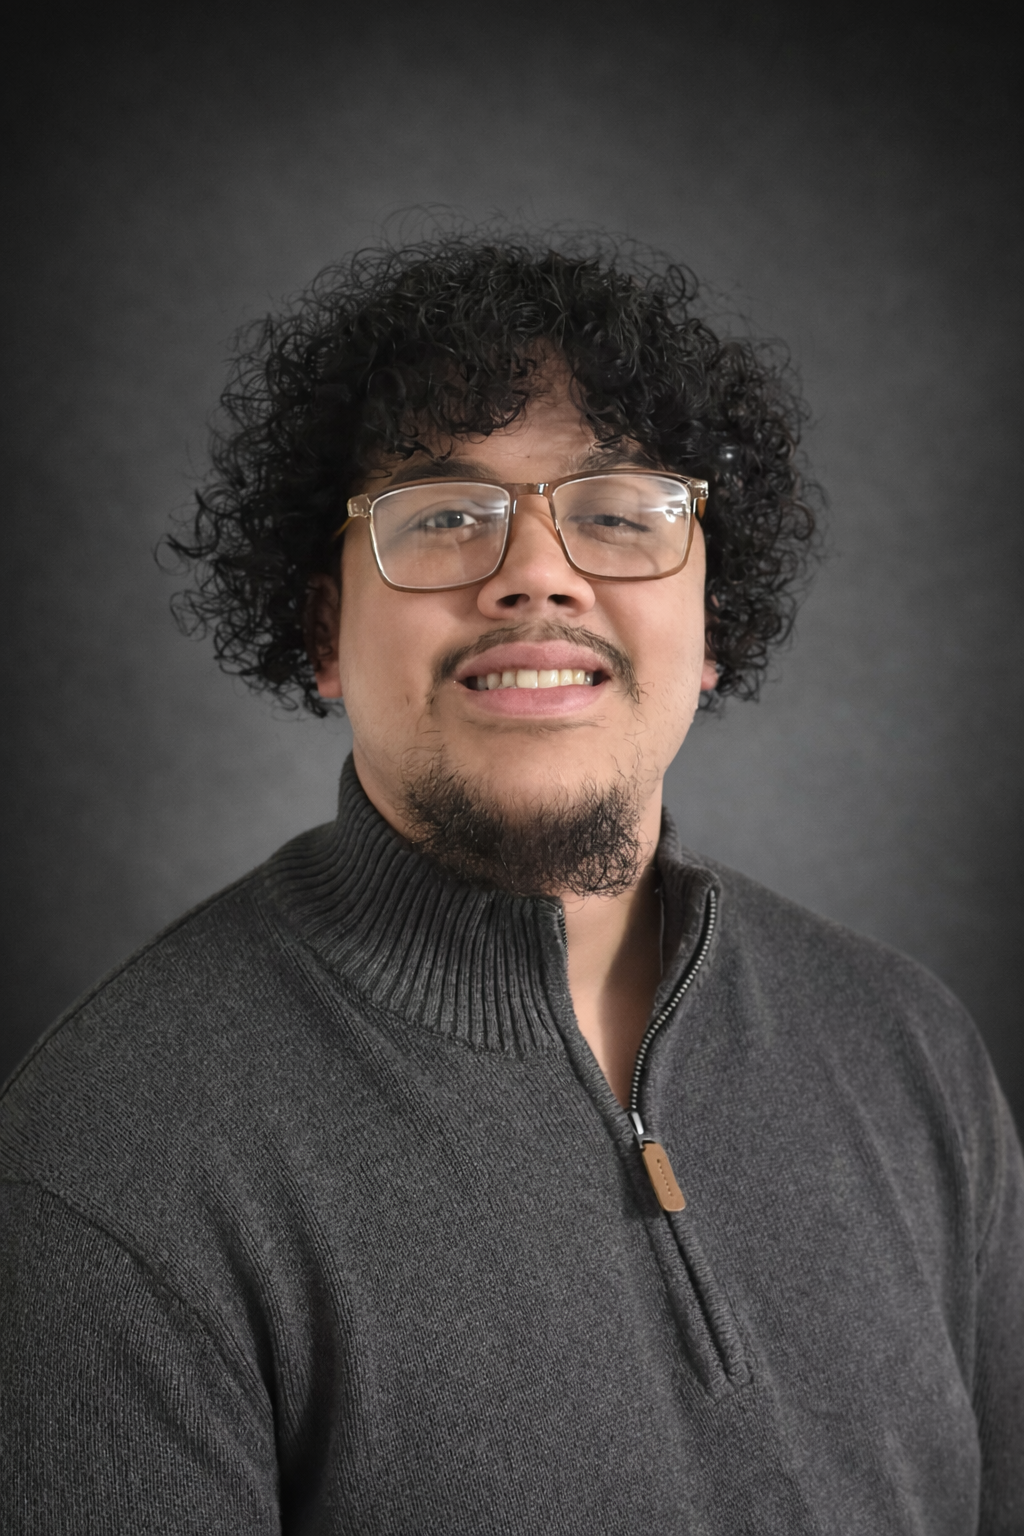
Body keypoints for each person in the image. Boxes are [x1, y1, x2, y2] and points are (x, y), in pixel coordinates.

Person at [1, 236, 1021, 1535]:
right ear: (322, 630)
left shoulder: (913, 1054)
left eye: (617, 513)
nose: (536, 572)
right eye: (443, 516)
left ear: (716, 624)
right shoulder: (108, 1171)